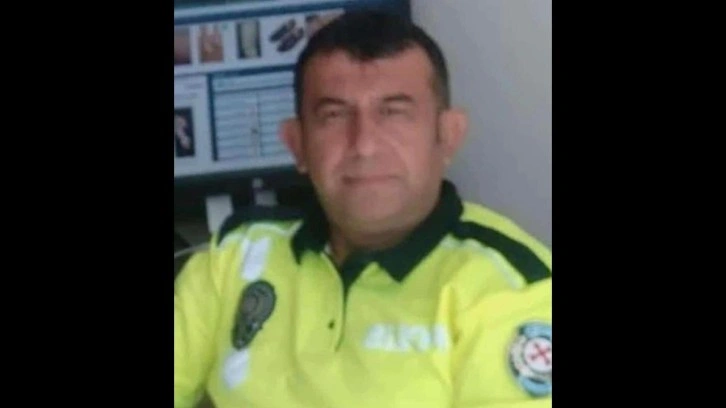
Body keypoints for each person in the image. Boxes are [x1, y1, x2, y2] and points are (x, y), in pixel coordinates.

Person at [175, 10, 552, 408]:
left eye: (394, 112)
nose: (364, 145)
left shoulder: (513, 288)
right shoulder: (234, 256)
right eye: (334, 116)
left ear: (447, 136)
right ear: (297, 144)